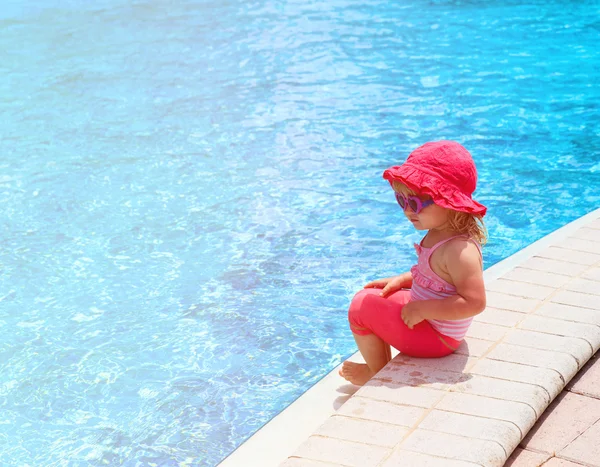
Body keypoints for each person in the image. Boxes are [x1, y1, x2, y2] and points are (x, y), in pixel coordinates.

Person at [339, 140, 488, 386]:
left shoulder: (460, 250)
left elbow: (475, 302)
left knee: (360, 307)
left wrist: (423, 310)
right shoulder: (440, 231)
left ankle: (376, 372)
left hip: (438, 338)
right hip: (431, 325)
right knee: (374, 293)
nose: (408, 211)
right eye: (402, 201)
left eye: (416, 203)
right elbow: (437, 278)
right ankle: (381, 365)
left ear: (448, 202)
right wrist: (403, 280)